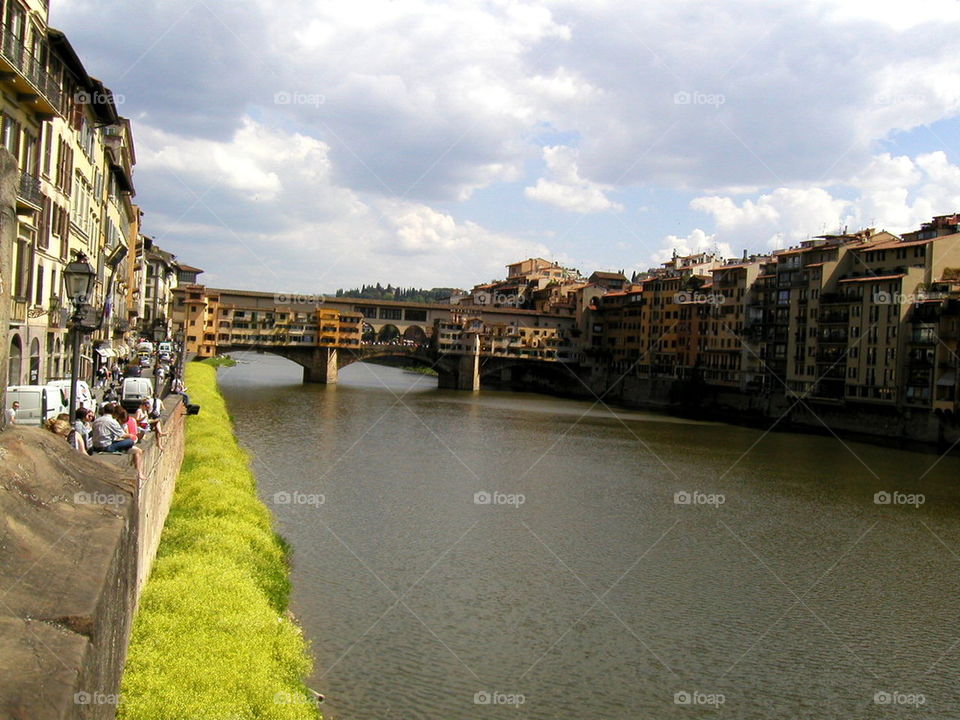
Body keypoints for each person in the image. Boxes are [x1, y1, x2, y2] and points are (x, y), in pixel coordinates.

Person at [91, 405, 146, 482]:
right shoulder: (112, 421)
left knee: (132, 446)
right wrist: (133, 436)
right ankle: (139, 473)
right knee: (130, 442)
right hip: (106, 447)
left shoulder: (96, 421)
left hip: (96, 446)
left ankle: (139, 472)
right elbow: (123, 435)